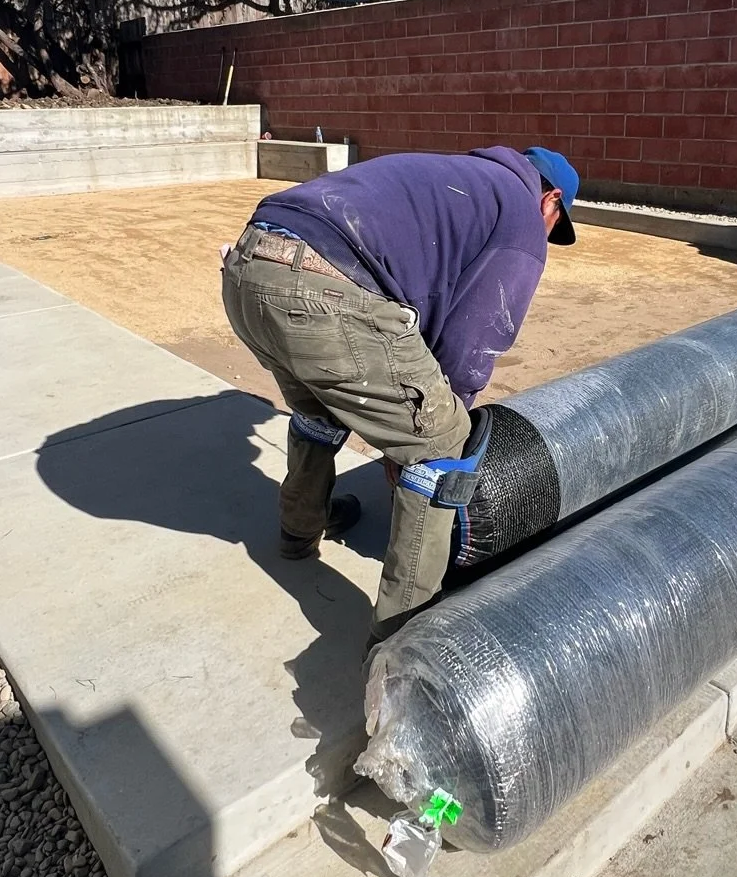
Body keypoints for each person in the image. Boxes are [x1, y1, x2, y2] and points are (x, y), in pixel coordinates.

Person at [222, 145, 579, 636]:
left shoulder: (461, 176)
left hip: (249, 267)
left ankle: (300, 528)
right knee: (442, 445)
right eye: (554, 225)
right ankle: (401, 638)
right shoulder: (519, 213)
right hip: (320, 287)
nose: (546, 237)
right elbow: (472, 343)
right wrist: (421, 434)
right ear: (550, 200)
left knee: (320, 410)